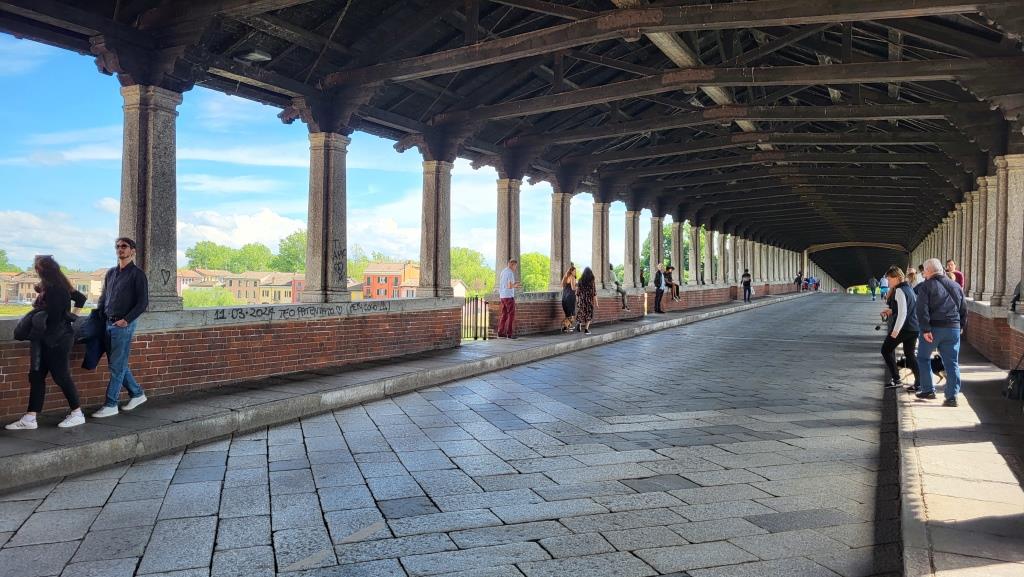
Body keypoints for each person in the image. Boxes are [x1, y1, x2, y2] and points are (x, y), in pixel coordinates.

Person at [5, 256, 87, 430]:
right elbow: (80, 299)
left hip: (56, 340)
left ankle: (77, 413)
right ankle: (30, 417)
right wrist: (71, 316)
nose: (36, 271)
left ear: (43, 270)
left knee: (61, 376)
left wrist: (67, 317)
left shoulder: (56, 289)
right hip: (47, 338)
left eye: (37, 268)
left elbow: (55, 317)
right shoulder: (57, 286)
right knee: (37, 376)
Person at [92, 237, 150, 418]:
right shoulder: (111, 273)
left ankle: (111, 404)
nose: (120, 249)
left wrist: (126, 320)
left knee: (116, 366)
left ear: (132, 251)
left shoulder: (137, 274)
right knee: (118, 364)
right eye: (117, 247)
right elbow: (104, 298)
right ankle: (137, 394)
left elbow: (143, 303)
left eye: (124, 246)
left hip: (123, 326)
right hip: (107, 323)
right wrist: (99, 316)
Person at [915, 258, 967, 406]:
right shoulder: (955, 286)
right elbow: (964, 308)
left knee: (923, 358)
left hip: (933, 329)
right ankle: (952, 397)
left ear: (930, 271)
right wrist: (960, 326)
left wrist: (925, 329)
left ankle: (928, 389)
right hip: (953, 328)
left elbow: (921, 309)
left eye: (924, 270)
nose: (923, 273)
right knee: (952, 363)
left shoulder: (926, 286)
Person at [879, 266, 921, 390]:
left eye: (889, 279)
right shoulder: (908, 288)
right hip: (913, 327)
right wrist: (891, 311)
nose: (888, 281)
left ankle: (896, 379)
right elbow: (907, 307)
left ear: (897, 278)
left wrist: (895, 331)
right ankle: (919, 383)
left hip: (903, 328)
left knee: (886, 350)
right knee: (910, 355)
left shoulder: (899, 291)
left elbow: (903, 313)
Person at [495, 258, 521, 339]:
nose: (515, 268)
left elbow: (504, 284)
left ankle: (500, 332)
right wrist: (515, 285)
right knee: (511, 315)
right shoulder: (510, 273)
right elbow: (509, 286)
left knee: (504, 315)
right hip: (509, 296)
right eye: (515, 266)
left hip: (502, 296)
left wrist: (513, 285)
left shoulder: (503, 271)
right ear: (512, 264)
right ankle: (509, 334)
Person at [575, 267, 598, 334]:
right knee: (589, 314)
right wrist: (596, 303)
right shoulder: (592, 280)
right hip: (589, 300)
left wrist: (577, 301)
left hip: (582, 299)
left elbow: (577, 292)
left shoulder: (580, 280)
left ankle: (579, 323)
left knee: (581, 312)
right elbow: (594, 292)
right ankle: (586, 329)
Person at [560, 264, 577, 333]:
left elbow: (562, 286)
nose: (575, 272)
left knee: (568, 315)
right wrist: (579, 287)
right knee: (572, 316)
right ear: (571, 271)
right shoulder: (572, 277)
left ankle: (566, 328)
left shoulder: (565, 277)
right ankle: (565, 327)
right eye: (574, 271)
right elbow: (573, 288)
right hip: (570, 298)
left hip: (564, 298)